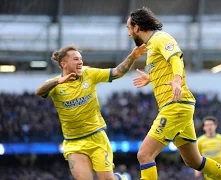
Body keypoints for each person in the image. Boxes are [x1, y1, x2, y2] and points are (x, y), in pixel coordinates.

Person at [128, 7, 221, 180]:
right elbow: (165, 67)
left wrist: (177, 81)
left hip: (175, 106)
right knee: (194, 161)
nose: (128, 34)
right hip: (179, 107)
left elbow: (176, 59)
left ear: (136, 28)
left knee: (144, 155)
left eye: (128, 29)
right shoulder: (151, 46)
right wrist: (151, 77)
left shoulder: (160, 38)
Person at [35, 44, 146, 180]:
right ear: (64, 64)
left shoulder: (89, 74)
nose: (80, 62)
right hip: (73, 143)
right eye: (76, 59)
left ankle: (118, 178)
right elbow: (39, 91)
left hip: (96, 138)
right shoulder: (55, 85)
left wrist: (132, 56)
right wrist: (58, 81)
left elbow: (117, 72)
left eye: (81, 59)